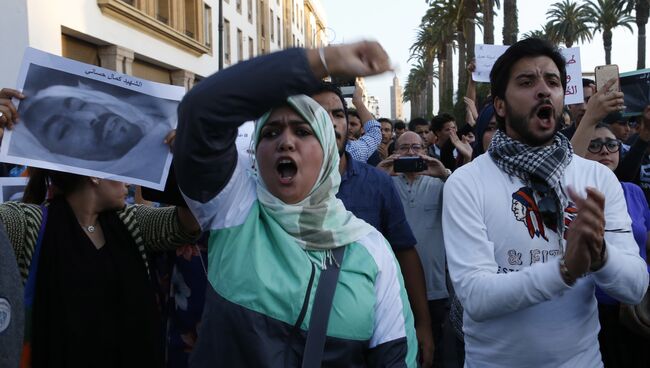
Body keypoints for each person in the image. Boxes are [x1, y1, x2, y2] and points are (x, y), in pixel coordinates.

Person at [174, 42, 417, 367]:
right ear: (256, 152)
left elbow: (395, 358)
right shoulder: (233, 209)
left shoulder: (372, 250)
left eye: (303, 131)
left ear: (329, 151)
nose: (286, 141)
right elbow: (201, 110)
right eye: (271, 132)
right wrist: (321, 60)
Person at [442, 38, 648, 367]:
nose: (543, 90)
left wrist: (600, 256)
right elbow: (476, 297)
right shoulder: (466, 183)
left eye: (552, 81)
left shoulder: (597, 179)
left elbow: (634, 288)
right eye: (526, 81)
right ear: (500, 105)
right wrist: (565, 270)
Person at [314, 82, 434, 367]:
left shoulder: (377, 182)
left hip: (374, 338)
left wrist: (423, 324)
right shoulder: (282, 187)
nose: (331, 122)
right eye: (317, 113)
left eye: (337, 114)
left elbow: (405, 251)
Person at [576, 123, 650, 367]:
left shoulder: (634, 192)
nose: (605, 150)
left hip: (638, 307)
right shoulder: (571, 196)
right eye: (594, 145)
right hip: (595, 311)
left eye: (611, 144)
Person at [378, 131, 451, 368]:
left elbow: (470, 200)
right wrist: (377, 176)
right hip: (394, 288)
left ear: (426, 152)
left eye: (417, 148)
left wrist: (445, 174)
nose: (411, 153)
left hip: (434, 286)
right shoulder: (384, 184)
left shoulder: (441, 185)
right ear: (394, 153)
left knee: (436, 353)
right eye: (404, 148)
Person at [9, 84, 175, 183]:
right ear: (60, 157)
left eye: (79, 105)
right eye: (63, 130)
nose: (89, 117)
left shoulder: (172, 118)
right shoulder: (108, 201)